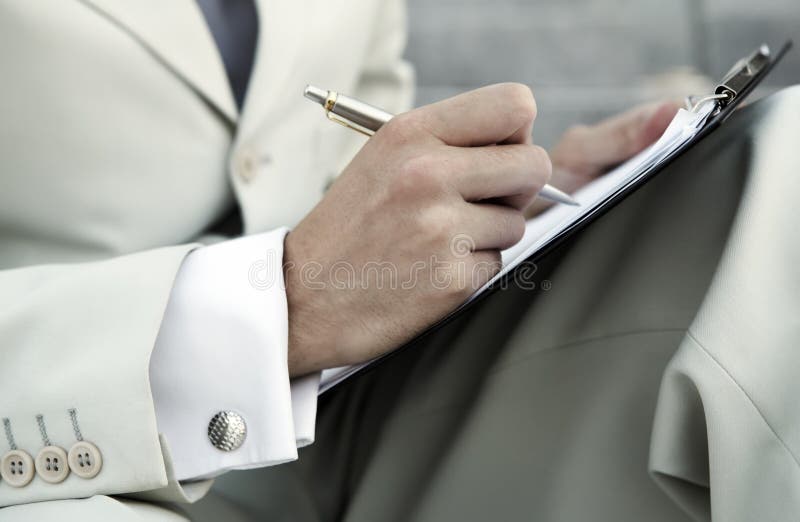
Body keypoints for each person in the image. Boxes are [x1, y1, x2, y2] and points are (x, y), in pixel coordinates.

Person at [1, 1, 798, 521]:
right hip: (79, 447)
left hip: (356, 397)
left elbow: (338, 175)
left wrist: (510, 203)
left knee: (780, 171)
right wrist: (287, 300)